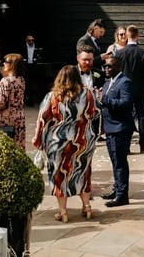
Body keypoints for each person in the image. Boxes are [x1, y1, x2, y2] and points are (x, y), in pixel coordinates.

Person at [34, 65, 99, 222]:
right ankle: (87, 207)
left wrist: (38, 140)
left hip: (59, 141)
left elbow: (43, 119)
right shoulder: (88, 94)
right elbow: (94, 113)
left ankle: (63, 212)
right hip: (83, 140)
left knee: (59, 176)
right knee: (83, 173)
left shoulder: (53, 96)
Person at [97, 54, 135, 207]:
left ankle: (122, 195)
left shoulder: (124, 82)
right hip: (110, 127)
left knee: (120, 163)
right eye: (105, 66)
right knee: (114, 161)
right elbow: (104, 103)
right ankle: (116, 188)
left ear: (118, 67)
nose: (106, 69)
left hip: (120, 128)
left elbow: (125, 103)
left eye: (109, 66)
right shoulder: (108, 83)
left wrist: (106, 100)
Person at [117, 25, 144, 152]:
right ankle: (143, 145)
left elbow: (117, 72)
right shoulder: (143, 53)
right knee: (142, 116)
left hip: (125, 89)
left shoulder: (120, 53)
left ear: (126, 35)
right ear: (137, 36)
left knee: (126, 116)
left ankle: (126, 146)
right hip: (140, 89)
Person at [0, 53, 27, 148]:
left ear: (12, 65)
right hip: (19, 118)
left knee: (5, 148)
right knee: (18, 147)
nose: (4, 64)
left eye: (6, 62)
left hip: (6, 120)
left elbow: (1, 104)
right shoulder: (21, 79)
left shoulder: (5, 81)